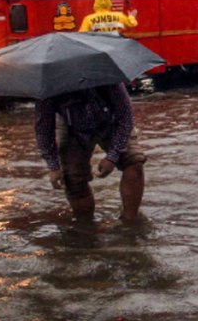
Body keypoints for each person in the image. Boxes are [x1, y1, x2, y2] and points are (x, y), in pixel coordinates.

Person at [35, 83, 146, 222]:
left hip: (111, 122)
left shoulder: (108, 77)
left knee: (134, 162)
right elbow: (43, 130)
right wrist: (53, 166)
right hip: (72, 129)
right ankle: (85, 225)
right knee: (72, 178)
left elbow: (126, 116)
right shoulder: (48, 87)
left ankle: (130, 220)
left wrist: (112, 157)